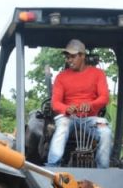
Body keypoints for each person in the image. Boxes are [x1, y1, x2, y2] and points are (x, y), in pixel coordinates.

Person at [45, 39, 113, 169]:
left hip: (90, 118)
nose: (69, 60)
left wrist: (91, 105)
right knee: (62, 127)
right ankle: (52, 167)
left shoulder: (98, 74)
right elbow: (55, 103)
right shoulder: (61, 77)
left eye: (73, 56)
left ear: (82, 56)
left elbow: (104, 97)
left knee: (105, 132)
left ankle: (103, 170)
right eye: (67, 57)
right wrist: (66, 108)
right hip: (68, 117)